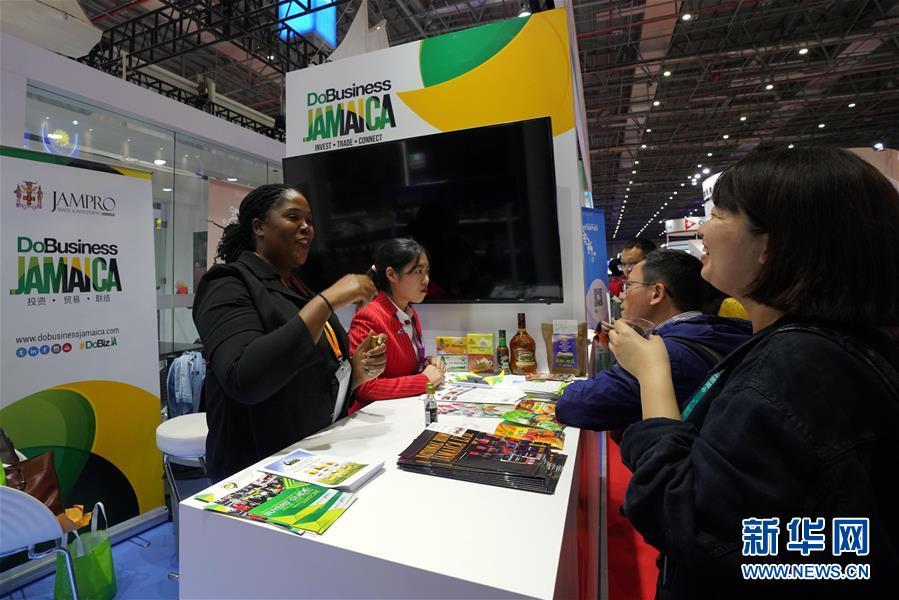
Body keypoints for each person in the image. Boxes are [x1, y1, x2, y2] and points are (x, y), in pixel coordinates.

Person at [609, 147, 899, 598]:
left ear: (771, 245)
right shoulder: (834, 346)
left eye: (718, 214)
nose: (702, 229)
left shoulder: (797, 368)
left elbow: (688, 518)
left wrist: (652, 374)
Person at [193, 184, 388, 479]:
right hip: (256, 471)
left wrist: (355, 373)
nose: (307, 227)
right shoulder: (226, 283)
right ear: (258, 226)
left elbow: (307, 376)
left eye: (309, 220)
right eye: (293, 217)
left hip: (312, 456)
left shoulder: (297, 288)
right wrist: (328, 301)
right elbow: (244, 378)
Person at [557, 250, 751, 431]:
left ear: (656, 293)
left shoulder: (664, 353)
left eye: (629, 285)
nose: (621, 295)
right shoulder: (724, 331)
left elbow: (573, 405)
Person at [348, 238, 446, 413]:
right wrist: (424, 380)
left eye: (427, 272)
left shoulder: (409, 311)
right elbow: (364, 386)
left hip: (403, 410)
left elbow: (401, 368)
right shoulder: (368, 317)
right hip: (375, 417)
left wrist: (426, 363)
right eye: (418, 271)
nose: (426, 280)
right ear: (392, 275)